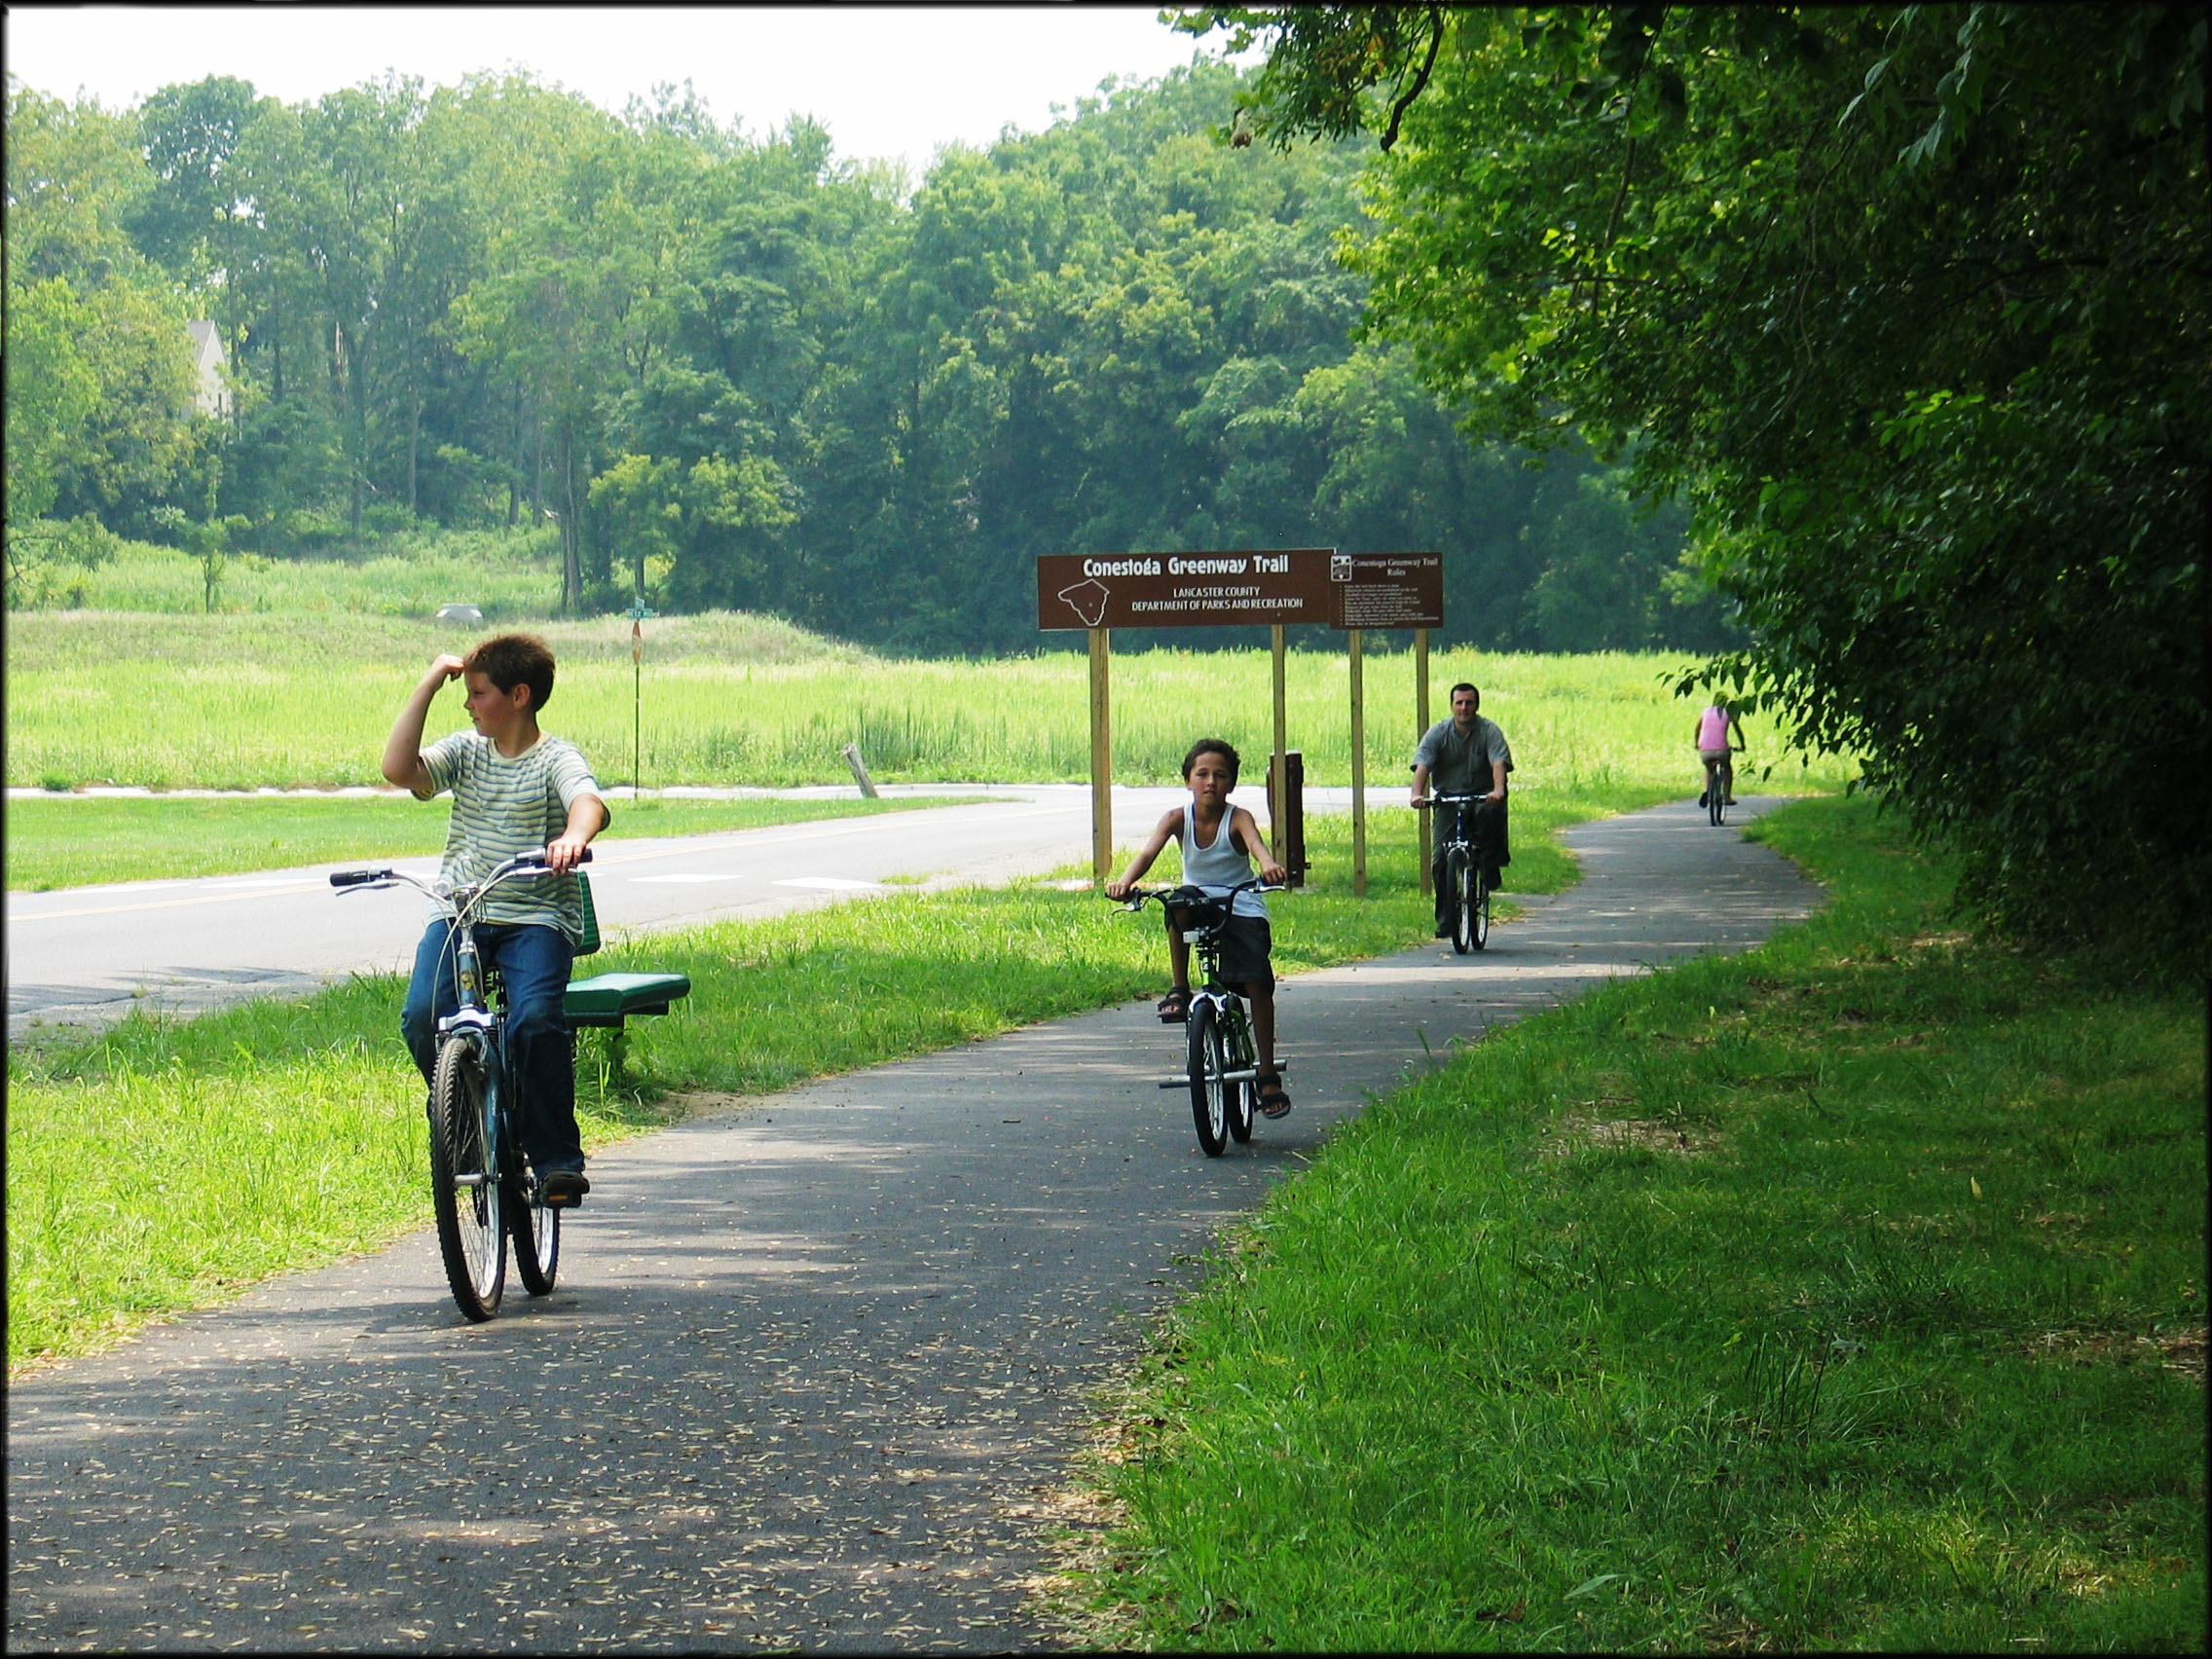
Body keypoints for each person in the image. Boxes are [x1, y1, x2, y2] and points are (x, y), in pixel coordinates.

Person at [384, 633, 608, 1203]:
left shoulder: (556, 757)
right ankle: (463, 1128)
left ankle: (555, 1157)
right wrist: (430, 681)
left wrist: (572, 838)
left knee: (533, 1021)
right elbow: (397, 768)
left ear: (519, 696)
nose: (470, 703)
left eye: (478, 693)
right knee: (422, 1014)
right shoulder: (466, 751)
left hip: (535, 916)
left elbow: (588, 802)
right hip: (464, 913)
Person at [1105, 738, 1294, 1119]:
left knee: (1257, 983)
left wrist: (1269, 866)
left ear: (1232, 783)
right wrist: (1123, 883)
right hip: (1198, 901)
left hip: (1240, 902)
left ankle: (1267, 1072)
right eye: (1202, 774)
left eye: (1220, 775)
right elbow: (1147, 853)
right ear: (1188, 780)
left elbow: (1256, 845)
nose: (1211, 782)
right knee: (1177, 902)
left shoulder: (1237, 817)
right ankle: (1179, 987)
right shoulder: (1178, 818)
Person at [1410, 682, 1514, 937]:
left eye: (1469, 703)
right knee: (1440, 860)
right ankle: (1447, 918)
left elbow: (1498, 761)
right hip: (1448, 798)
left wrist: (1497, 790)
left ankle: (1490, 865)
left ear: (1476, 706)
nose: (1464, 708)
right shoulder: (1439, 732)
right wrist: (1416, 794)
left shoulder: (1488, 730)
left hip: (1482, 796)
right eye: (1459, 703)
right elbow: (1423, 764)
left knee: (1492, 815)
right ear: (1452, 705)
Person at [1695, 696, 1746, 808]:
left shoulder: (1706, 711)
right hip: (1722, 751)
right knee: (1727, 768)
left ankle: (1708, 791)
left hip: (1705, 751)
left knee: (1709, 769)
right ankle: (1727, 796)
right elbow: (1738, 730)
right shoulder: (1728, 712)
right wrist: (1742, 745)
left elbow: (1697, 729)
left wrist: (1696, 744)